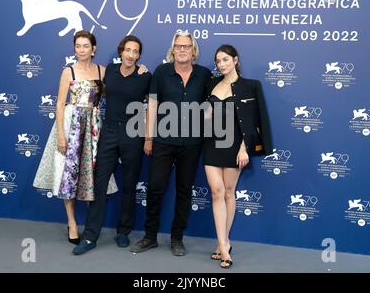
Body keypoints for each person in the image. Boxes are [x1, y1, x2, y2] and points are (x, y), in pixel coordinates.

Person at [130, 31, 212, 256]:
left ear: (193, 50)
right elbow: (153, 106)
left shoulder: (204, 74)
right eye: (178, 46)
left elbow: (210, 104)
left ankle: (177, 238)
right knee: (156, 187)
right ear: (173, 49)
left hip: (192, 143)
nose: (182, 50)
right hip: (163, 140)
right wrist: (148, 138)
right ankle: (150, 237)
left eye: (186, 46)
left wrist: (203, 116)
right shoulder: (162, 72)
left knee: (184, 190)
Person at [33, 30, 117, 245]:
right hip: (71, 125)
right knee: (68, 175)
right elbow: (60, 103)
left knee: (92, 174)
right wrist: (61, 135)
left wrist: (140, 70)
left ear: (93, 48)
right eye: (78, 46)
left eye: (85, 46)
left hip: (94, 127)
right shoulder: (68, 72)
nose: (81, 50)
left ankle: (91, 224)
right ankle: (71, 222)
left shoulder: (103, 71)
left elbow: (122, 87)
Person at [73, 35, 151, 255]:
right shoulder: (109, 72)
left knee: (129, 183)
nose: (131, 55)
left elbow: (153, 105)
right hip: (108, 132)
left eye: (136, 52)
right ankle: (90, 237)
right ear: (121, 51)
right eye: (128, 50)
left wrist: (148, 137)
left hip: (133, 133)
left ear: (138, 55)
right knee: (99, 184)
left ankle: (124, 231)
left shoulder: (145, 76)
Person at [203, 44, 273, 268]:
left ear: (235, 60)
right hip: (212, 144)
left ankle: (222, 243)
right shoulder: (211, 84)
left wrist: (245, 148)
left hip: (235, 146)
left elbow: (254, 120)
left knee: (229, 192)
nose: (221, 64)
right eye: (218, 61)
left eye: (225, 59)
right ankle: (224, 245)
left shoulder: (250, 86)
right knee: (216, 191)